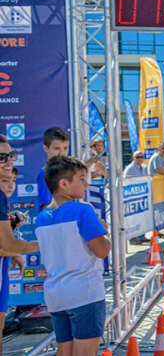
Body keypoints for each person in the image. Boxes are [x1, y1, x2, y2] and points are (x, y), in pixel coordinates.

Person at [35, 156, 110, 356]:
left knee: (64, 349)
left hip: (56, 295)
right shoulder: (83, 210)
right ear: (64, 184)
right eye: (81, 179)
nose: (86, 184)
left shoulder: (41, 218)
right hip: (84, 293)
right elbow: (102, 250)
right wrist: (105, 231)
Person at [0, 158, 31, 355]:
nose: (10, 185)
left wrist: (12, 228)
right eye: (4, 180)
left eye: (12, 180)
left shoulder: (5, 206)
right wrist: (16, 251)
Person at [38, 127, 70, 210]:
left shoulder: (68, 171)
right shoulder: (46, 173)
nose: (62, 153)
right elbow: (46, 207)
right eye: (57, 148)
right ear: (45, 148)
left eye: (65, 148)